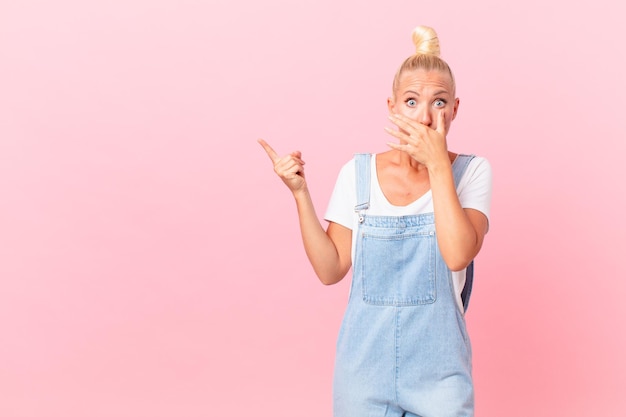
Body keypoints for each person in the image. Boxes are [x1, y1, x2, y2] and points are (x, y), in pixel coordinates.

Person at [259, 25, 492, 417]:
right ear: (392, 106)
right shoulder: (358, 174)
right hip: (363, 375)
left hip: (440, 377)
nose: (425, 114)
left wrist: (437, 163)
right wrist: (300, 193)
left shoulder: (472, 173)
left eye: (439, 102)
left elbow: (457, 256)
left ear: (454, 109)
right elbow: (331, 269)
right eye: (412, 100)